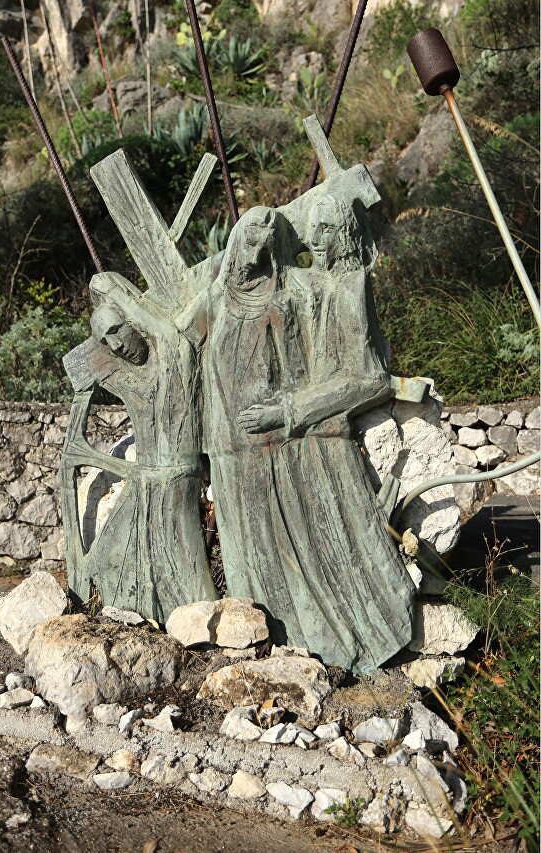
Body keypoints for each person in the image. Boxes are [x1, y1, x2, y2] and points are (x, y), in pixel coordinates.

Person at [194, 203, 411, 673]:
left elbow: (367, 377)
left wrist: (290, 411)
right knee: (272, 558)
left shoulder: (324, 289)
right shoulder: (223, 297)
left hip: (305, 439)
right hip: (250, 445)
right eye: (247, 240)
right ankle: (285, 643)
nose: (316, 241)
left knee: (335, 555)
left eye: (327, 231)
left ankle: (358, 644)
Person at [63, 272, 216, 622]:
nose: (115, 346)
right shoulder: (124, 375)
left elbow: (164, 332)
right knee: (111, 563)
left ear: (134, 321)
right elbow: (79, 368)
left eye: (117, 331)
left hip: (178, 483)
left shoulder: (174, 355)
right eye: (106, 341)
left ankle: (199, 626)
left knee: (189, 579)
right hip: (145, 484)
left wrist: (111, 287)